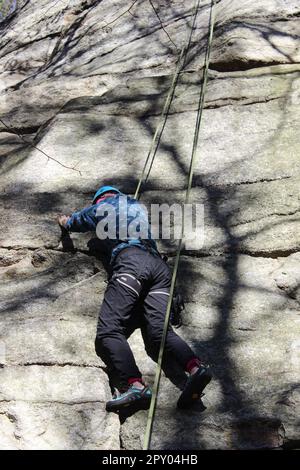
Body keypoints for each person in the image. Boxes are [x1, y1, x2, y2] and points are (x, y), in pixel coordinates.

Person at [58, 185, 211, 412]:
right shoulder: (137, 207)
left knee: (109, 331)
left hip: (131, 263)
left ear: (100, 199)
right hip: (159, 269)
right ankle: (196, 368)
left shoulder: (102, 207)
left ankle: (135, 385)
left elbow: (76, 222)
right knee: (160, 333)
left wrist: (64, 221)